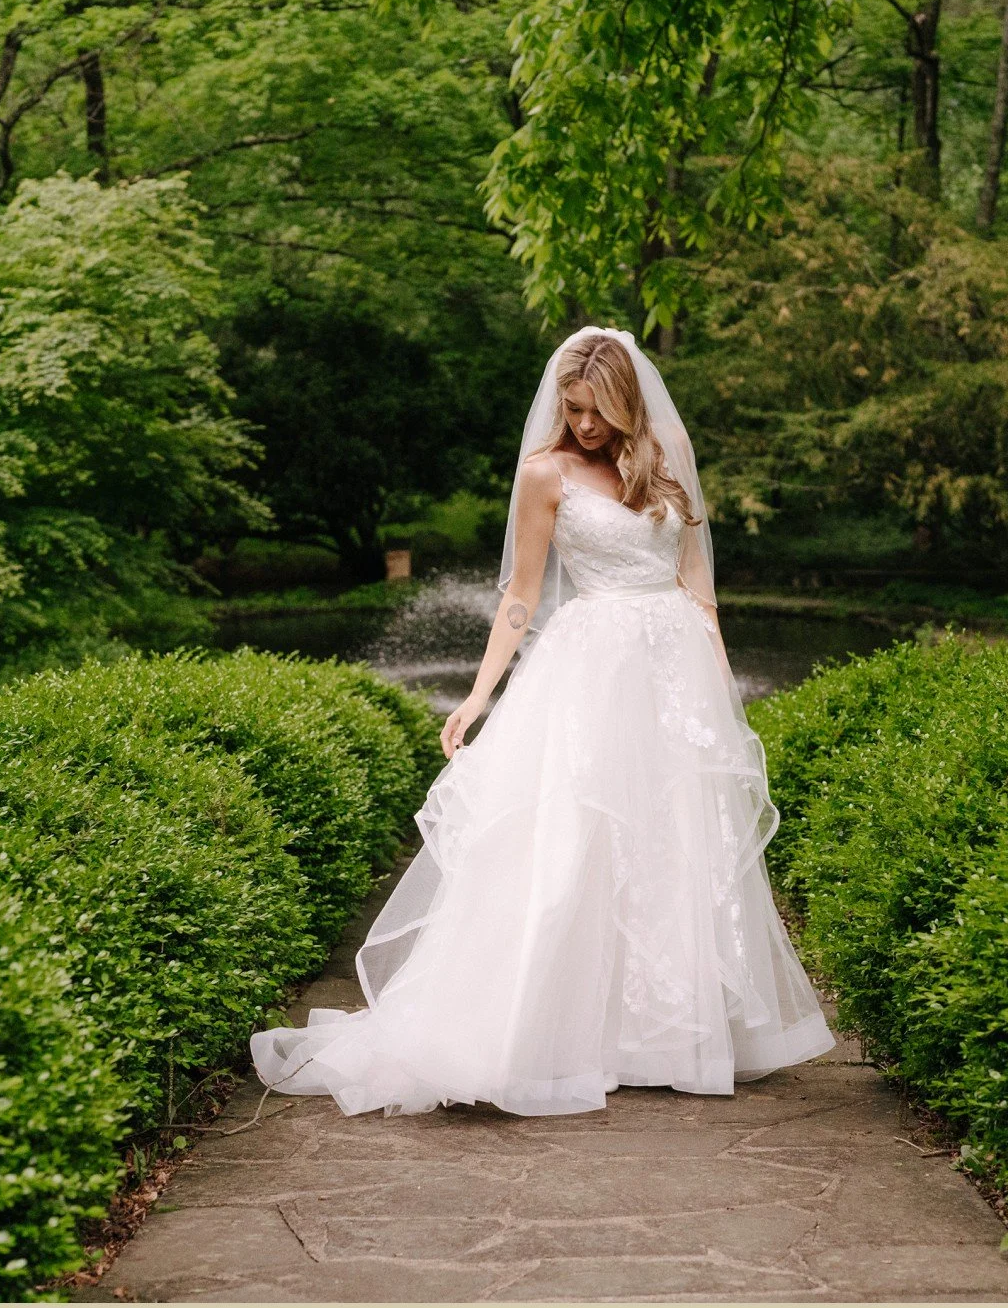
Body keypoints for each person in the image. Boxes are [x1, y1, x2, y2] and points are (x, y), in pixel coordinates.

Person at [250, 326, 835, 1117]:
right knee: (573, 842)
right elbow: (520, 598)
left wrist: (721, 689)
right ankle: (553, 1028)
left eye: (597, 410)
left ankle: (665, 1035)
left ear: (627, 401)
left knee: (673, 838)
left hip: (673, 671)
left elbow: (698, 582)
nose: (585, 425)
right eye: (573, 409)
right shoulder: (543, 473)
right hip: (590, 667)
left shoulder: (668, 450)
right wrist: (477, 695)